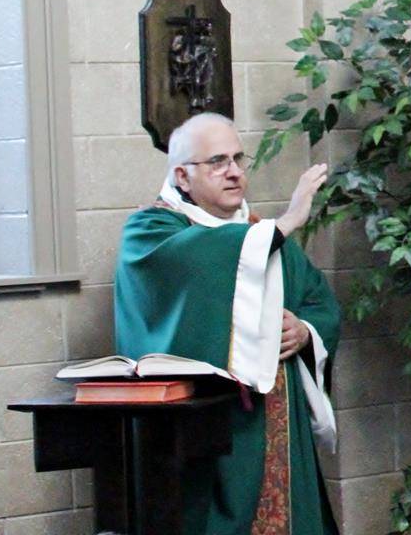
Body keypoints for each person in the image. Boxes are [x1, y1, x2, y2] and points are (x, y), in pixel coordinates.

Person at [114, 112, 341, 534]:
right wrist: (288, 221)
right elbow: (199, 262)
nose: (234, 172)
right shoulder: (152, 229)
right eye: (217, 162)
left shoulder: (259, 233)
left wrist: (304, 331)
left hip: (279, 416)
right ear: (182, 176)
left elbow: (318, 302)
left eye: (238, 159)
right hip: (209, 425)